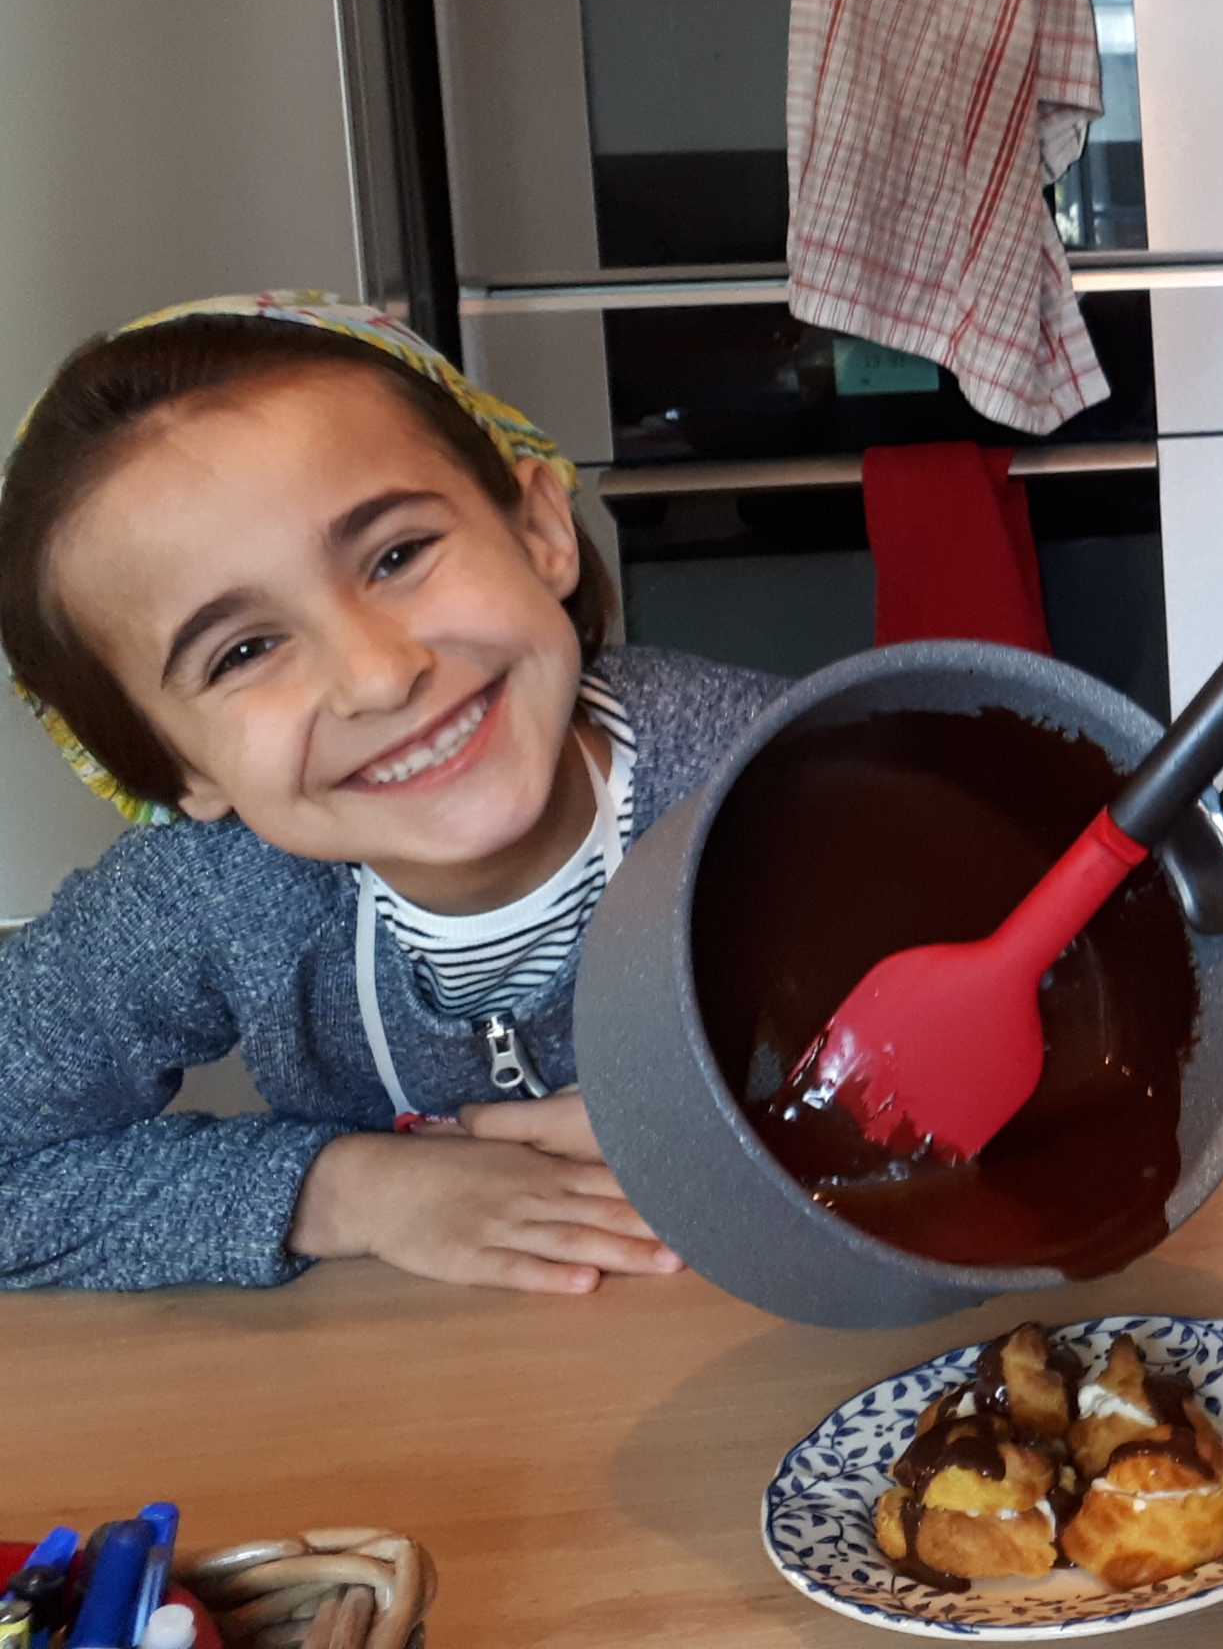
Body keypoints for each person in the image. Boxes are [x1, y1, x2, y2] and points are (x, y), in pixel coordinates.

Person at [0, 295, 783, 1292]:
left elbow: (1033, 1058)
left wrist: (765, 1125)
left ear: (540, 528)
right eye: (243, 651)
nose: (378, 675)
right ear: (170, 768)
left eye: (398, 554)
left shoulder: (781, 780)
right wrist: (347, 1188)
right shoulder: (204, 899)